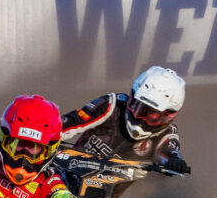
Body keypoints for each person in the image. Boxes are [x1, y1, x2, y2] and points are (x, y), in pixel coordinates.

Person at [60, 65, 190, 176]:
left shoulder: (166, 134)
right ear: (132, 98)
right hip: (63, 172)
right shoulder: (113, 104)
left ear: (170, 115)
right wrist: (47, 132)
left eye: (153, 114)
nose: (141, 119)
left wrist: (175, 162)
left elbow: (171, 152)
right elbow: (73, 121)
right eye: (140, 108)